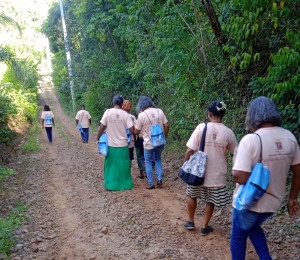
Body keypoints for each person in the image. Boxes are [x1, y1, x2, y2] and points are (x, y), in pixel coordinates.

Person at [230, 96, 300, 260]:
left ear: (252, 115)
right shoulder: (289, 137)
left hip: (248, 202)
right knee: (253, 226)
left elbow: (239, 176)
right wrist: (292, 198)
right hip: (273, 203)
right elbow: (298, 170)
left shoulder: (251, 140)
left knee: (238, 237)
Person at [183, 100, 238, 236]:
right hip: (217, 173)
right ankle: (204, 226)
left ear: (209, 114)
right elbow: (234, 153)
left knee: (192, 194)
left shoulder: (201, 127)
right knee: (211, 200)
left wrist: (187, 163)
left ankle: (190, 221)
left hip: (197, 172)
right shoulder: (228, 132)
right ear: (223, 115)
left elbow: (190, 150)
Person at [96, 95, 134, 191]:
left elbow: (102, 126)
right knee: (124, 164)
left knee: (111, 164)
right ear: (122, 104)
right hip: (123, 144)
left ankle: (111, 184)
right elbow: (132, 129)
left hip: (111, 145)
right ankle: (125, 184)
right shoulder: (126, 114)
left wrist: (98, 137)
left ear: (113, 103)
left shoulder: (108, 112)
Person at [134, 96, 169, 189]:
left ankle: (151, 183)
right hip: (160, 141)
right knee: (158, 159)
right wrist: (165, 135)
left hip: (148, 143)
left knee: (148, 162)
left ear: (141, 105)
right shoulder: (159, 111)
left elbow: (137, 131)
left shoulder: (142, 115)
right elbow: (166, 125)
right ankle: (159, 178)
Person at [122, 100, 136, 166]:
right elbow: (135, 129)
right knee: (129, 158)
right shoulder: (132, 117)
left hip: (121, 141)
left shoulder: (120, 115)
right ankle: (128, 172)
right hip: (131, 141)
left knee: (122, 157)